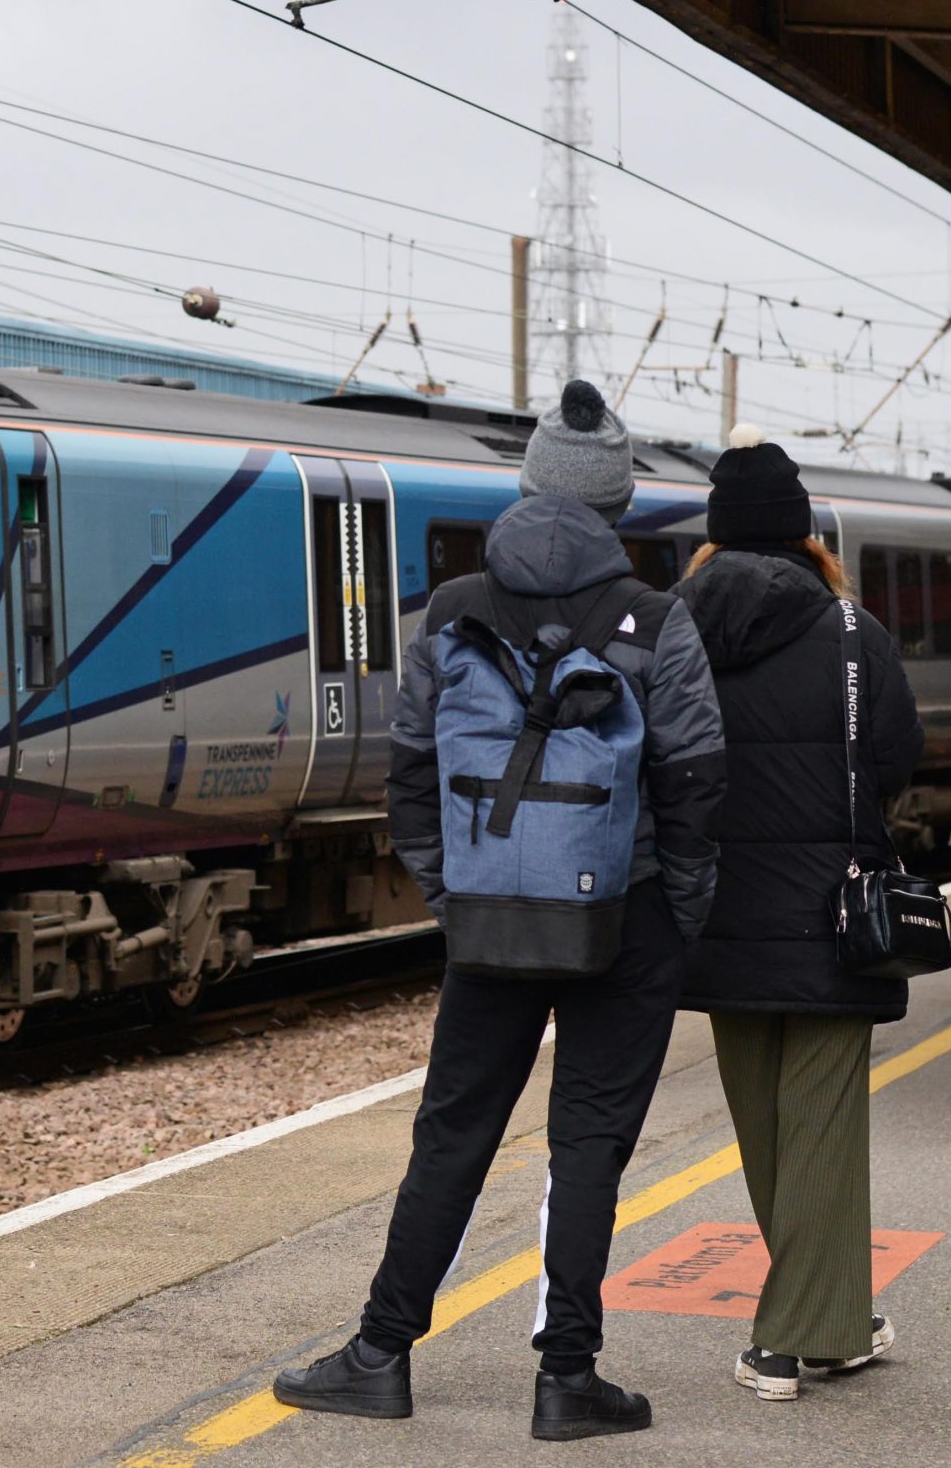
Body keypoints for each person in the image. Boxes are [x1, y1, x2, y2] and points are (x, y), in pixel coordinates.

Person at [273, 380, 727, 1443]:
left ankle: (378, 1354)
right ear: (619, 501)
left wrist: (457, 892)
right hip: (626, 912)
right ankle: (566, 1376)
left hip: (492, 921)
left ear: (525, 484)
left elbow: (410, 773)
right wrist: (676, 912)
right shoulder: (657, 620)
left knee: (452, 1133)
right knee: (588, 1143)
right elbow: (699, 784)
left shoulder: (451, 608)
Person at [673, 426, 923, 1402]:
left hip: (715, 917)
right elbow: (895, 757)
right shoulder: (852, 633)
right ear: (804, 536)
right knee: (818, 1124)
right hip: (831, 920)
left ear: (712, 541)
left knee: (768, 1130)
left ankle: (837, 1314)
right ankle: (784, 1341)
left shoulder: (669, 629)